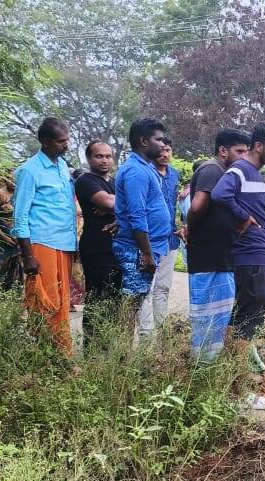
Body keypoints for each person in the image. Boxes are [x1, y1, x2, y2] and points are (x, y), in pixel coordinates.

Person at [212, 122, 265, 355]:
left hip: (262, 250)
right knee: (249, 315)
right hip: (250, 251)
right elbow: (219, 194)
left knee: (252, 313)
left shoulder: (258, 175)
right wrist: (244, 217)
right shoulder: (240, 170)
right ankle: (237, 373)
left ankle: (236, 367)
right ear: (258, 146)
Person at [13, 117, 79, 351]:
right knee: (44, 301)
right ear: (46, 142)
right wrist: (28, 256)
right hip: (42, 244)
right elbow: (20, 216)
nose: (67, 145)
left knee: (62, 302)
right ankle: (51, 354)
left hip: (65, 243)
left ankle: (61, 353)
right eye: (62, 141)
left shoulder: (63, 166)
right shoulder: (29, 171)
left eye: (67, 140)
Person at [186, 128, 249, 361]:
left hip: (220, 256)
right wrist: (190, 228)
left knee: (218, 312)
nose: (244, 157)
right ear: (223, 151)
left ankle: (209, 360)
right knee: (206, 312)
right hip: (208, 256)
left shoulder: (227, 174)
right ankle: (202, 363)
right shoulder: (213, 170)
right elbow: (197, 206)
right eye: (239, 151)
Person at [113, 118, 174, 345]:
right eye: (158, 139)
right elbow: (137, 214)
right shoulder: (136, 172)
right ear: (143, 141)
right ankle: (121, 357)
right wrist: (147, 253)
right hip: (137, 249)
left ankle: (123, 355)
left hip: (150, 246)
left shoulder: (145, 168)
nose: (162, 144)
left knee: (137, 299)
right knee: (131, 303)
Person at [74, 140, 121, 339]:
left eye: (108, 156)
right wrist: (123, 206)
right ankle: (93, 349)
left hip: (116, 248)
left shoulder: (113, 182)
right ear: (89, 158)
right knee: (98, 299)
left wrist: (120, 214)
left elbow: (117, 206)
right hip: (96, 248)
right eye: (99, 156)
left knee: (115, 301)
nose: (104, 160)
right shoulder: (86, 181)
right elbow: (110, 202)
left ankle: (110, 351)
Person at [147, 138, 182, 335]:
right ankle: (145, 333)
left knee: (163, 287)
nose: (164, 154)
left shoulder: (174, 174)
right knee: (145, 288)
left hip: (170, 237)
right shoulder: (147, 173)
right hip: (148, 239)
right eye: (160, 150)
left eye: (168, 150)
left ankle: (161, 331)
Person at [0, 179, 23, 290]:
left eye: (17, 179)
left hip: (20, 241)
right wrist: (4, 237)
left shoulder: (22, 194)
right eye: (11, 179)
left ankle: (13, 301)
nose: (14, 182)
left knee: (17, 275)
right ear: (4, 178)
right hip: (1, 242)